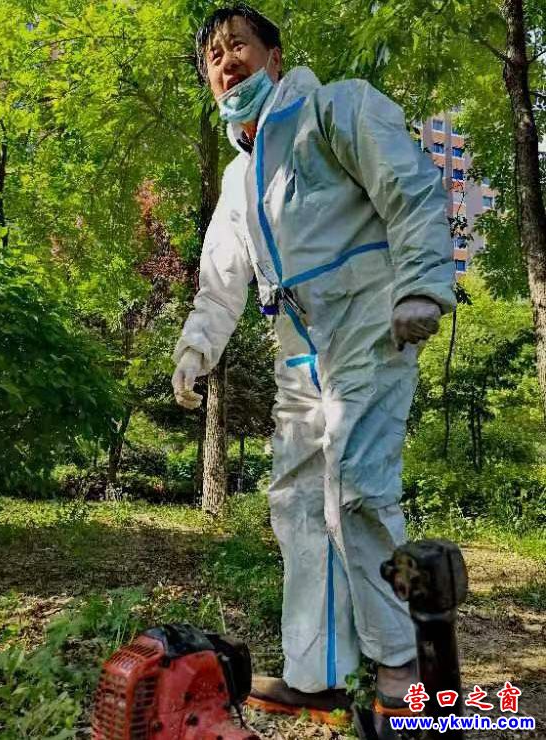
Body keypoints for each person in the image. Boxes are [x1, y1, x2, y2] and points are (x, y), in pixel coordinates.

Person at [172, 3, 455, 737]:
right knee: (297, 502)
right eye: (213, 58)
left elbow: (409, 184)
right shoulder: (239, 179)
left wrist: (422, 283)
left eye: (238, 46)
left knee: (355, 486)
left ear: (274, 57)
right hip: (298, 341)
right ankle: (315, 673)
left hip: (368, 317)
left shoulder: (335, 109)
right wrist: (196, 348)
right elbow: (220, 281)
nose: (226, 62)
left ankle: (400, 670)